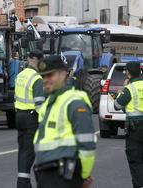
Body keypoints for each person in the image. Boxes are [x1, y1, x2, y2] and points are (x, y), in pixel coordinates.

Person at [33, 55, 96, 188]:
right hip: (45, 174)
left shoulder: (74, 102)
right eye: (43, 76)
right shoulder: (49, 103)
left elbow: (87, 145)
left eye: (50, 75)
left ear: (63, 74)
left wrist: (83, 176)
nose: (45, 80)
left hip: (64, 177)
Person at [14, 50, 45, 188]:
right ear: (38, 61)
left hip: (19, 115)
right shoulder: (36, 78)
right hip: (31, 117)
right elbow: (39, 104)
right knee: (29, 151)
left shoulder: (20, 75)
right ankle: (23, 183)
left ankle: (22, 180)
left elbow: (16, 96)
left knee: (22, 149)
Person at [114, 62, 143, 188]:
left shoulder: (129, 89)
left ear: (129, 73)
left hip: (135, 128)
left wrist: (121, 92)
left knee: (135, 158)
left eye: (126, 71)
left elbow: (117, 105)